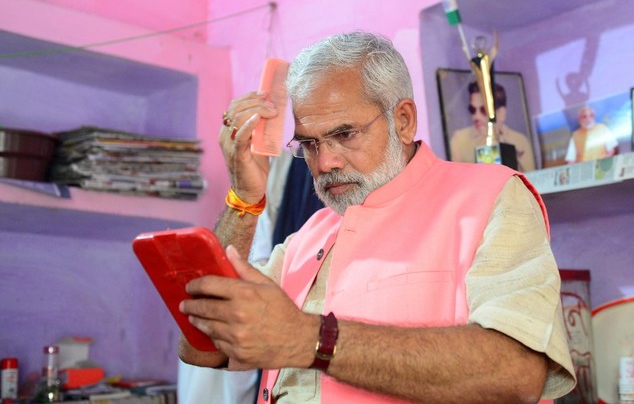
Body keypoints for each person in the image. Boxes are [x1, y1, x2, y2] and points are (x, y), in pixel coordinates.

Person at [178, 32, 576, 403]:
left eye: (346, 134)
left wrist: (310, 339)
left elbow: (516, 371)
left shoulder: (490, 197)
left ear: (403, 120)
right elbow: (201, 346)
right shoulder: (312, 233)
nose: (325, 162)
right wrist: (243, 199)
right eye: (310, 144)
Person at [449, 81, 536, 172]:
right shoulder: (459, 140)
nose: (476, 116)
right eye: (472, 109)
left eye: (483, 110)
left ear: (501, 113)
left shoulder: (520, 141)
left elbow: (529, 179)